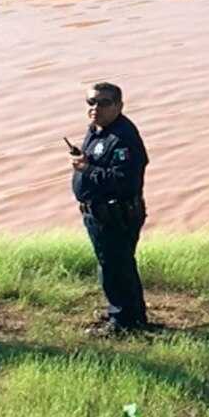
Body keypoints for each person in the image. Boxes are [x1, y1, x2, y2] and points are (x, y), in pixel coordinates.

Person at [70, 82, 149, 336]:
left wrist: (86, 169)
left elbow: (123, 181)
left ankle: (123, 323)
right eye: (91, 102)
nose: (95, 108)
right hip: (99, 212)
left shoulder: (122, 137)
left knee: (115, 267)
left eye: (104, 102)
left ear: (119, 106)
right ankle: (128, 313)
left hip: (115, 214)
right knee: (116, 266)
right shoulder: (97, 130)